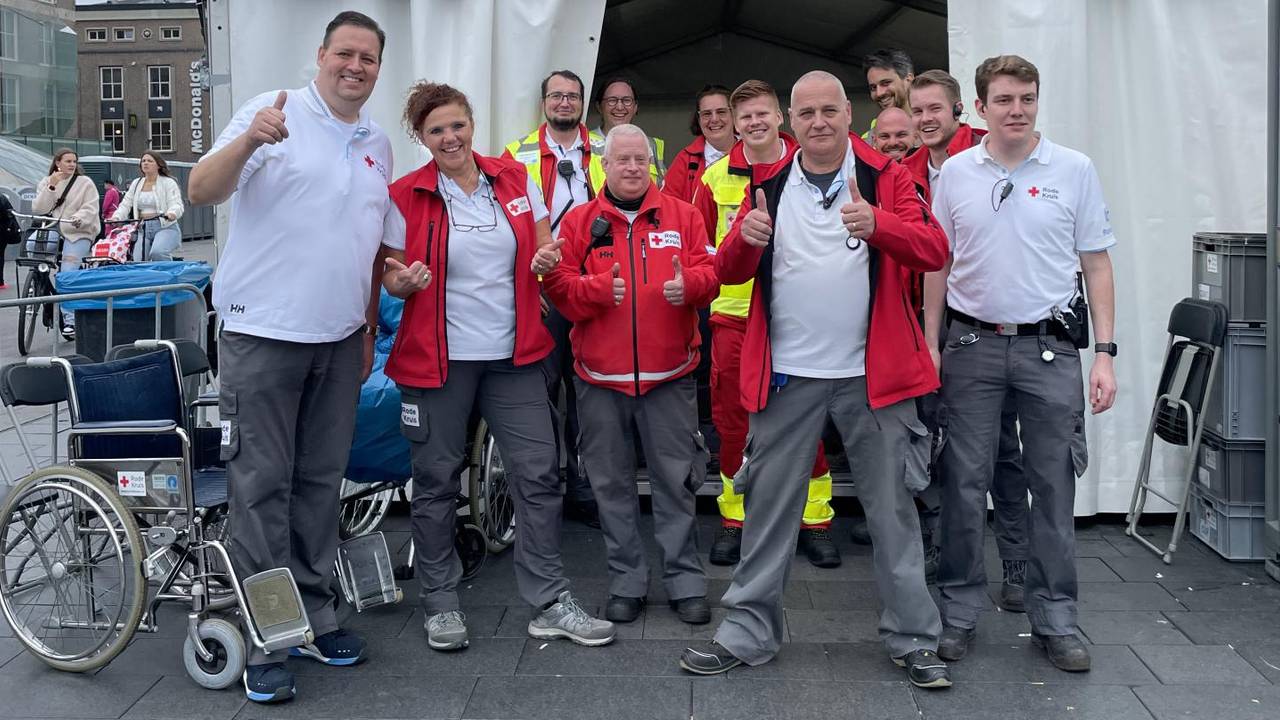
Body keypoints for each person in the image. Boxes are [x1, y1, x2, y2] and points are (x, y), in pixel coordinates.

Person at [679, 71, 951, 690]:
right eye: (807, 113)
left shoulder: (886, 174)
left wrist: (877, 222)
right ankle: (747, 633)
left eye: (830, 110)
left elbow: (934, 249)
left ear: (848, 114)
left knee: (893, 515)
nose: (819, 122)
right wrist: (744, 244)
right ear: (788, 123)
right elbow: (724, 271)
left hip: (872, 378)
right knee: (769, 511)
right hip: (786, 378)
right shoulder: (765, 183)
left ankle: (914, 638)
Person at [188, 11, 392, 703]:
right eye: (345, 53)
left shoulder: (376, 142)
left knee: (317, 484)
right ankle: (267, 635)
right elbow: (201, 190)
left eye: (368, 58)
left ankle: (315, 612)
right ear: (321, 55)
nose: (355, 66)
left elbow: (372, 246)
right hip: (263, 333)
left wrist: (369, 322)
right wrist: (249, 140)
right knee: (261, 487)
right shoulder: (271, 112)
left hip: (336, 341)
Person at [385, 82, 615, 653]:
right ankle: (440, 602)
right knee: (436, 482)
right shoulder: (404, 194)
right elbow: (386, 274)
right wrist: (403, 282)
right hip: (439, 361)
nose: (450, 137)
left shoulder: (512, 179)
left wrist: (547, 257)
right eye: (436, 130)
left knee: (539, 474)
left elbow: (543, 247)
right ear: (422, 137)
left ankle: (549, 601)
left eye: (457, 124)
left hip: (514, 355)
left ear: (472, 123)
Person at [925, 55, 1117, 673]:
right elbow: (937, 265)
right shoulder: (954, 173)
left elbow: (1097, 264)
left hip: (1050, 349)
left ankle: (1056, 619)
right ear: (979, 108)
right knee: (962, 486)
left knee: (1053, 487)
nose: (1017, 110)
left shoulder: (1075, 169)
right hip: (972, 348)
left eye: (1027, 99)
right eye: (1004, 100)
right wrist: (930, 345)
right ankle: (958, 614)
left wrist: (1105, 355)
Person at [544, 124, 718, 626]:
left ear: (651, 163)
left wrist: (692, 287)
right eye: (622, 159)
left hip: (671, 376)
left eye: (640, 159)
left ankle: (685, 580)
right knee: (611, 486)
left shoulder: (684, 215)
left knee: (677, 482)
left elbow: (711, 274)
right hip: (599, 380)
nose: (632, 168)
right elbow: (559, 289)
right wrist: (596, 292)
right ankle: (627, 580)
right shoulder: (579, 222)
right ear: (605, 164)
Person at [691, 79, 839, 569]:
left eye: (763, 114)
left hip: (797, 318)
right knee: (733, 425)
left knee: (806, 422)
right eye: (745, 117)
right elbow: (700, 251)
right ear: (734, 125)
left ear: (781, 117)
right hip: (733, 317)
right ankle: (735, 518)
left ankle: (815, 520)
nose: (754, 123)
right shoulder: (714, 179)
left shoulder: (808, 168)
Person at [906, 68, 1031, 612]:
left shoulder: (985, 159)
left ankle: (1017, 562)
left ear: (960, 110)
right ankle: (947, 551)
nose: (926, 119)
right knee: (943, 449)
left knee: (1002, 451)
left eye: (936, 109)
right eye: (918, 111)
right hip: (927, 328)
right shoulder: (902, 170)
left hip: (981, 329)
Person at [503, 70, 603, 527]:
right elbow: (505, 225)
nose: (565, 102)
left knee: (587, 393)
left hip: (591, 287)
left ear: (583, 102)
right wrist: (524, 285)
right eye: (556, 95)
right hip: (542, 293)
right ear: (543, 102)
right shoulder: (515, 154)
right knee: (538, 394)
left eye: (573, 96)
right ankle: (539, 493)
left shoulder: (607, 146)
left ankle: (584, 490)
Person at [33, 148, 100, 338]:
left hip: (78, 231)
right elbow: (39, 209)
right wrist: (51, 187)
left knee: (68, 271)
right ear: (57, 163)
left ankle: (70, 320)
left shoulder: (85, 183)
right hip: (54, 228)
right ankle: (40, 281)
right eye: (68, 161)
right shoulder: (47, 182)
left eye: (74, 161)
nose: (72, 164)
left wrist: (78, 218)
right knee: (31, 246)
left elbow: (91, 207)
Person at [662, 84, 735, 203]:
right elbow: (667, 207)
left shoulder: (753, 153)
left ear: (734, 114)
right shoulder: (685, 160)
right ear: (698, 119)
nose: (714, 119)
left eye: (721, 112)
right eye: (707, 114)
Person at [591, 77, 666, 185]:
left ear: (635, 107)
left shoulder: (652, 145)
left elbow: (662, 190)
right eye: (612, 100)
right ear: (599, 107)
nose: (620, 107)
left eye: (627, 100)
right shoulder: (584, 143)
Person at [111, 151, 185, 261]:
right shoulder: (136, 183)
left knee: (158, 252)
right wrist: (116, 217)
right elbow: (125, 204)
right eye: (143, 161)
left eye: (150, 161)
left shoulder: (168, 183)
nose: (145, 163)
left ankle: (166, 276)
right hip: (142, 228)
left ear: (158, 165)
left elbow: (176, 204)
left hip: (165, 227)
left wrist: (172, 213)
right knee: (138, 259)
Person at [862, 48, 914, 138]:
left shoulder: (931, 128)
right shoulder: (866, 141)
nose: (879, 93)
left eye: (886, 83)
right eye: (873, 87)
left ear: (908, 79)